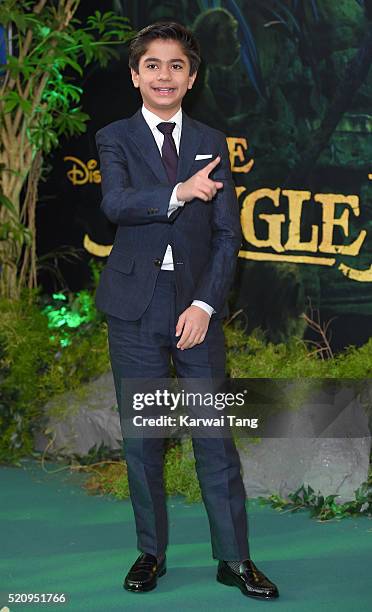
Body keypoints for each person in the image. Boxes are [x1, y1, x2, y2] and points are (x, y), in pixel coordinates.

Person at [95, 21, 279, 601]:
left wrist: (203, 304)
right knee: (144, 440)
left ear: (192, 77)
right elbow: (117, 204)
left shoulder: (211, 140)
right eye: (153, 65)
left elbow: (228, 237)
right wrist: (179, 193)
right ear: (135, 75)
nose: (164, 75)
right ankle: (150, 554)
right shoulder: (114, 137)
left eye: (177, 66)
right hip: (134, 310)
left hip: (195, 312)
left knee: (213, 437)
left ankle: (235, 560)